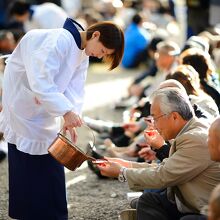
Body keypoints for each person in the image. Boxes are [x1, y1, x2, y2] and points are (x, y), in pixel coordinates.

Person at [0, 17, 124, 220]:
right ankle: (30, 212)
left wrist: (71, 116)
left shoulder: (82, 53)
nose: (99, 56)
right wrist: (66, 112)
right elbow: (40, 80)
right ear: (96, 35)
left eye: (104, 55)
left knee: (49, 157)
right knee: (29, 159)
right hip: (23, 101)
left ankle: (51, 214)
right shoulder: (59, 39)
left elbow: (75, 90)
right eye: (102, 51)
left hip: (43, 105)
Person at [97, 87, 220, 220]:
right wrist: (126, 165)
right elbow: (165, 168)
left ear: (174, 116)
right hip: (187, 204)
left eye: (156, 118)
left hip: (206, 212)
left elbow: (164, 175)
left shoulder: (194, 137)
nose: (154, 125)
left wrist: (122, 172)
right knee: (149, 200)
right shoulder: (188, 131)